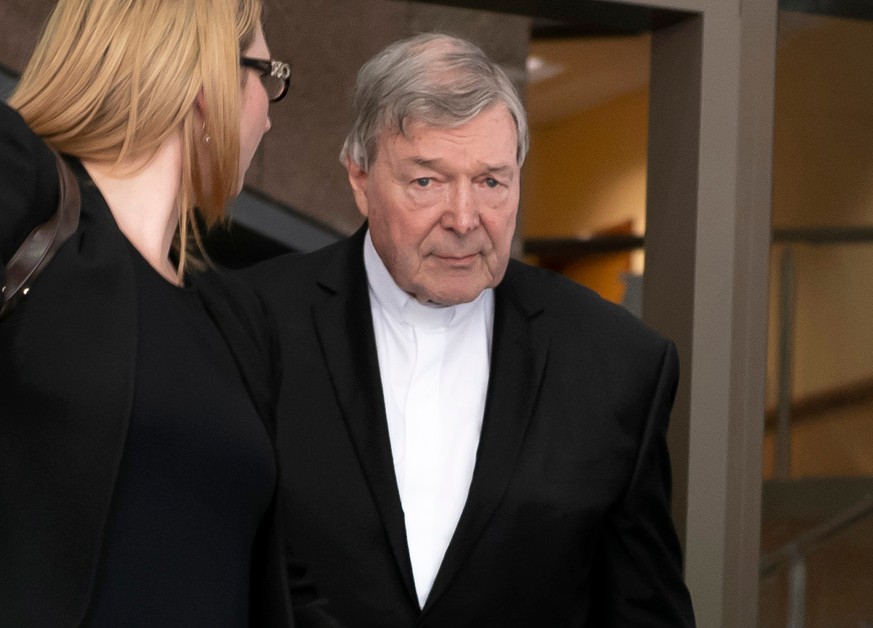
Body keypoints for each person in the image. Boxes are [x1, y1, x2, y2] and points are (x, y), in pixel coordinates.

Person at [247, 32, 696, 627]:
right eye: (427, 182)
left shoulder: (617, 363)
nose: (465, 220)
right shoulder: (250, 325)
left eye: (491, 182)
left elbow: (644, 612)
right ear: (359, 179)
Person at [0, 0, 305, 626]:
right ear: (207, 81)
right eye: (268, 76)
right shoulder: (23, 191)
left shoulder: (238, 321)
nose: (269, 120)